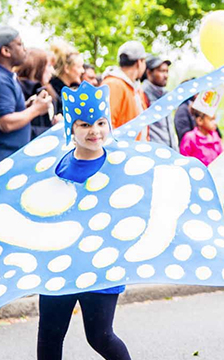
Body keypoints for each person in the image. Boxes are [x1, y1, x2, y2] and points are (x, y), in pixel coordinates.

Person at [38, 82, 131, 360]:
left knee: (100, 337)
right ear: (71, 128)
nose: (94, 131)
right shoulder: (57, 164)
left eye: (101, 122)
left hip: (102, 264)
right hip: (59, 262)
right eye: (84, 124)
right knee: (50, 336)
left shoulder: (120, 165)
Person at [0, 27, 52, 160]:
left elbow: (8, 112)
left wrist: (27, 106)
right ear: (6, 51)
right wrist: (36, 109)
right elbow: (5, 123)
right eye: (19, 44)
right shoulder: (2, 79)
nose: (25, 49)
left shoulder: (8, 76)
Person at [101, 41, 148, 139]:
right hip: (122, 152)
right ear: (139, 62)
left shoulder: (135, 88)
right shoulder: (113, 84)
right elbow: (105, 125)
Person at [15, 47, 61, 139]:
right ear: (36, 67)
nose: (53, 71)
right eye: (48, 66)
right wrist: (54, 129)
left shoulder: (47, 91)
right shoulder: (19, 92)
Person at [142, 55, 176, 148]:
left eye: (167, 71)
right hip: (154, 153)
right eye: (161, 71)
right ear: (149, 72)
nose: (165, 75)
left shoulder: (165, 95)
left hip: (170, 151)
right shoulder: (142, 94)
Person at [49, 41, 84, 118]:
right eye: (79, 67)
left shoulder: (76, 91)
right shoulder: (51, 92)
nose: (83, 71)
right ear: (67, 68)